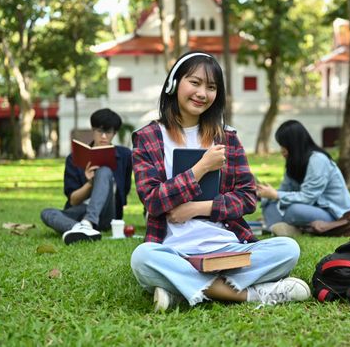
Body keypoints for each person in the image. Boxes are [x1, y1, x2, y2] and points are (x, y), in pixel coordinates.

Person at [130, 51, 310, 312]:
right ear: (173, 84)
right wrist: (200, 169)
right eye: (195, 82)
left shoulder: (227, 138)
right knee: (143, 258)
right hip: (175, 252)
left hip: (227, 248)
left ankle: (180, 288)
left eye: (211, 87)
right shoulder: (147, 137)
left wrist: (198, 208)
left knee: (288, 248)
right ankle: (250, 295)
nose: (202, 93)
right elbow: (153, 201)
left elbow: (248, 197)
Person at [40, 108, 132, 245]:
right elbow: (73, 201)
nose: (104, 137)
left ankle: (88, 222)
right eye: (100, 131)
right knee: (47, 213)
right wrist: (90, 183)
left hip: (107, 214)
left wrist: (101, 179)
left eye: (109, 132)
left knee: (105, 171)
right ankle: (82, 229)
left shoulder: (124, 155)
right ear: (93, 130)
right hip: (79, 212)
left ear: (114, 133)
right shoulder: (74, 158)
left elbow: (123, 194)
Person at [257, 120, 350, 236]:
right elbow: (285, 189)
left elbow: (308, 197)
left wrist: (276, 195)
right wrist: (262, 194)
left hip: (333, 214)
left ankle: (285, 227)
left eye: (284, 145)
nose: (282, 150)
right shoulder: (293, 162)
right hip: (309, 209)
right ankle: (286, 229)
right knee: (269, 204)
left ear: (293, 144)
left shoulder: (318, 160)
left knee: (294, 210)